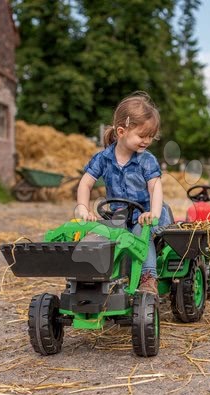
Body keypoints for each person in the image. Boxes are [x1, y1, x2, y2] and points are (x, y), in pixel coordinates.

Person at [76, 91, 172, 295]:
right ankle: (100, 278)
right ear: (121, 131)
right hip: (119, 217)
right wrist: (84, 209)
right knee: (100, 235)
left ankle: (148, 277)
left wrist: (153, 213)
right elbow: (85, 184)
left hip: (145, 215)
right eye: (142, 135)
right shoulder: (103, 158)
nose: (146, 141)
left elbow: (155, 187)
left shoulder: (146, 160)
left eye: (150, 137)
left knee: (139, 233)